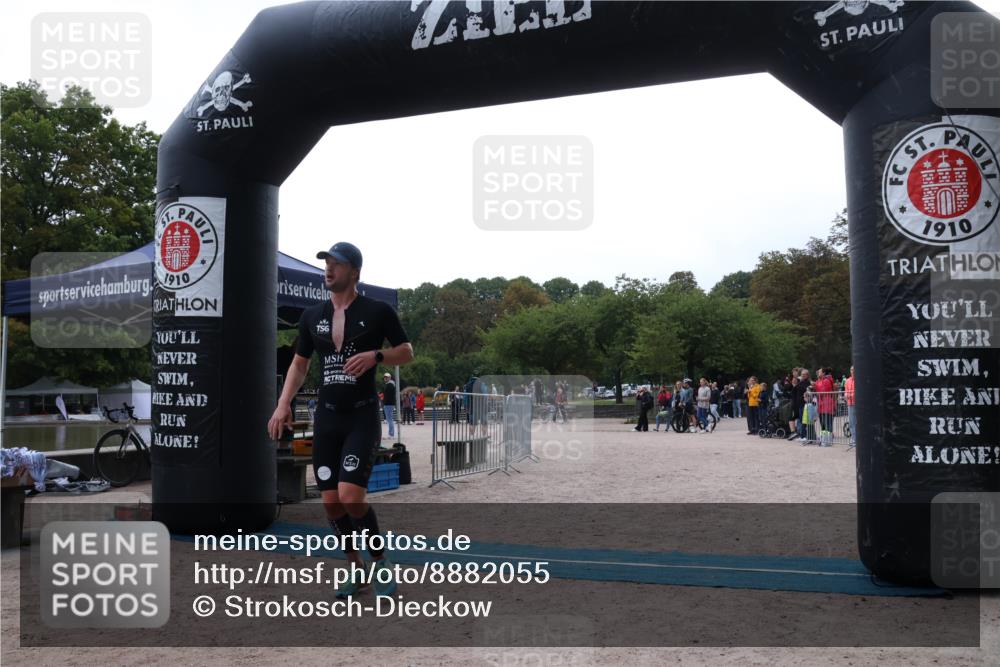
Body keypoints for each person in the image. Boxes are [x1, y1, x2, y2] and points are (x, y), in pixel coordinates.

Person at [267, 241, 413, 598]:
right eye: (326, 263)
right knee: (331, 501)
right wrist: (282, 404)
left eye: (336, 264)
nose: (328, 269)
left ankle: (380, 562)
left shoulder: (377, 310)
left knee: (351, 495)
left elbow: (407, 352)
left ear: (355, 271)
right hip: (327, 419)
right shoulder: (311, 316)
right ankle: (355, 567)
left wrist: (376, 356)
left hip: (361, 415)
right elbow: (299, 365)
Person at [813, 367, 835, 446]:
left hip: (827, 404)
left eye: (819, 372)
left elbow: (822, 390)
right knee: (823, 423)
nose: (817, 373)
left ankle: (828, 441)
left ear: (823, 373)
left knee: (827, 423)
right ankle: (824, 440)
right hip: (822, 405)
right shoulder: (820, 381)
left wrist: (814, 386)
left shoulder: (826, 381)